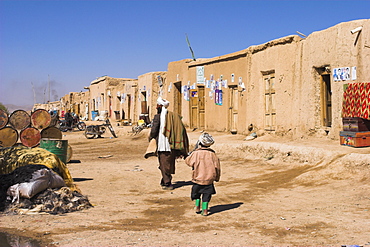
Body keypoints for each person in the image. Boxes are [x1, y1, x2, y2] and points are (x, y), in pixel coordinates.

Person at [149, 97, 189, 190]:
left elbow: (154, 130)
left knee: (164, 163)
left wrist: (151, 138)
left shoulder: (158, 117)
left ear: (160, 107)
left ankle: (167, 182)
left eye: (157, 106)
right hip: (173, 143)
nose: (156, 108)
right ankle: (164, 180)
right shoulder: (174, 116)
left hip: (164, 145)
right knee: (168, 163)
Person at [185, 132, 221, 216]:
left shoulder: (196, 153)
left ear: (200, 143)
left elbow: (189, 162)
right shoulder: (213, 154)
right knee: (207, 195)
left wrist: (189, 155)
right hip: (209, 180)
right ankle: (205, 210)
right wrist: (216, 178)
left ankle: (197, 207)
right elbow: (217, 167)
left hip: (197, 179)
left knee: (196, 194)